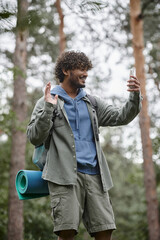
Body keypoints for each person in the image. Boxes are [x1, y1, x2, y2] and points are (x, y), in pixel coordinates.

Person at [27, 51, 142, 240]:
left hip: (96, 176)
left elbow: (121, 116)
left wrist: (134, 96)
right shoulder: (48, 100)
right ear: (65, 70)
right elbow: (34, 137)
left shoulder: (92, 102)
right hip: (64, 176)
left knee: (105, 231)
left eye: (87, 69)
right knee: (67, 232)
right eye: (81, 69)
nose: (86, 73)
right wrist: (48, 108)